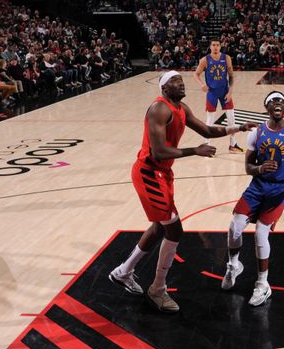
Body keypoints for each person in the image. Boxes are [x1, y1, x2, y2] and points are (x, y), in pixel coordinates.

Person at [108, 71, 256, 312]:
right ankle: (158, 289)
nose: (181, 84)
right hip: (149, 173)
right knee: (174, 229)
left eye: (182, 81)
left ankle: (123, 272)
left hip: (162, 174)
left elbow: (207, 131)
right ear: (165, 88)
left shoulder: (181, 108)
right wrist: (193, 151)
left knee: (160, 227)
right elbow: (158, 152)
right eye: (176, 82)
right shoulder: (159, 109)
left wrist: (238, 128)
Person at [223, 90, 284, 306]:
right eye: (274, 101)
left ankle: (263, 284)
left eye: (282, 101)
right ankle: (233, 266)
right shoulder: (256, 133)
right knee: (234, 227)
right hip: (257, 186)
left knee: (260, 234)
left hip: (278, 190)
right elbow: (248, 167)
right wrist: (259, 168)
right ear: (266, 107)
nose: (279, 103)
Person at [194, 40, 243, 152]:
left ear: (220, 47)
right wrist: (202, 85)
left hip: (225, 91)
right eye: (213, 45)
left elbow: (231, 76)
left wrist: (230, 92)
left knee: (231, 119)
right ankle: (206, 144)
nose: (215, 47)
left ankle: (233, 144)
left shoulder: (226, 58)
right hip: (212, 92)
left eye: (217, 45)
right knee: (209, 120)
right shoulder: (205, 60)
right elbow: (196, 74)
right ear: (210, 47)